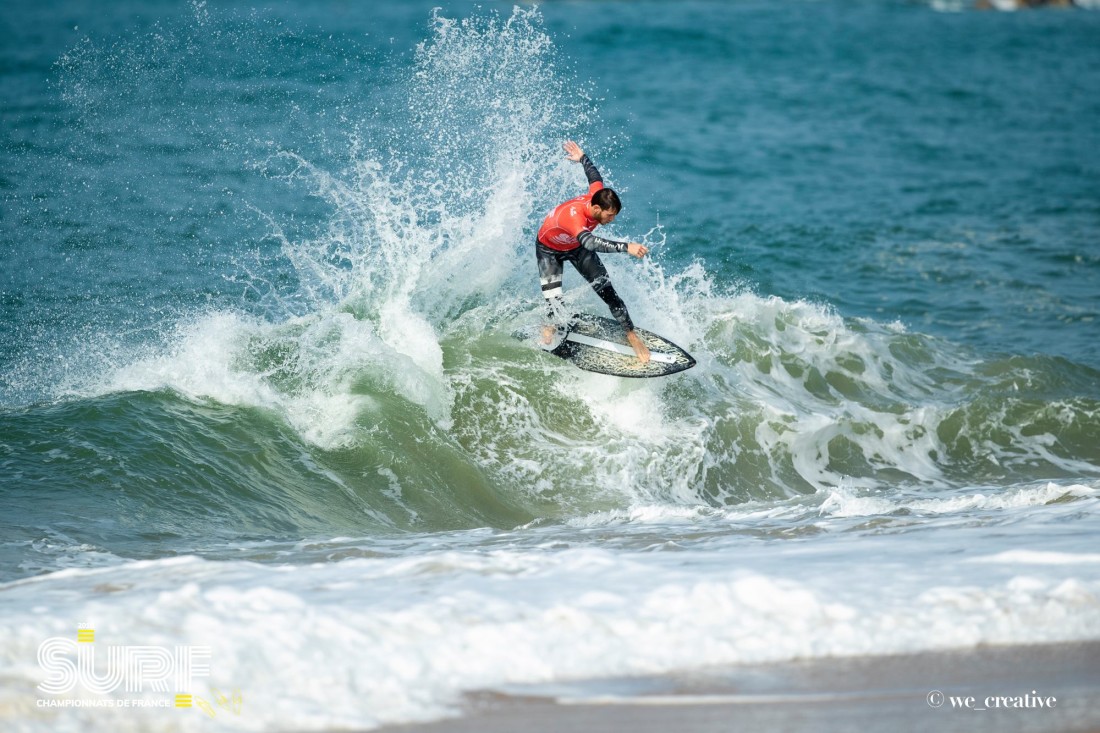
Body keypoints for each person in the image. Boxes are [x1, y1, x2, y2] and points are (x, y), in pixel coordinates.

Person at [536, 140, 651, 364]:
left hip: (575, 246)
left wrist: (583, 158)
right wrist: (625, 246)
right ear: (596, 208)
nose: (612, 220)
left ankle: (631, 334)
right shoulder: (573, 217)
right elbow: (589, 243)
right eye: (609, 216)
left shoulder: (598, 195)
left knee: (607, 291)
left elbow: (594, 177)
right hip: (549, 249)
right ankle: (549, 324)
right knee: (554, 300)